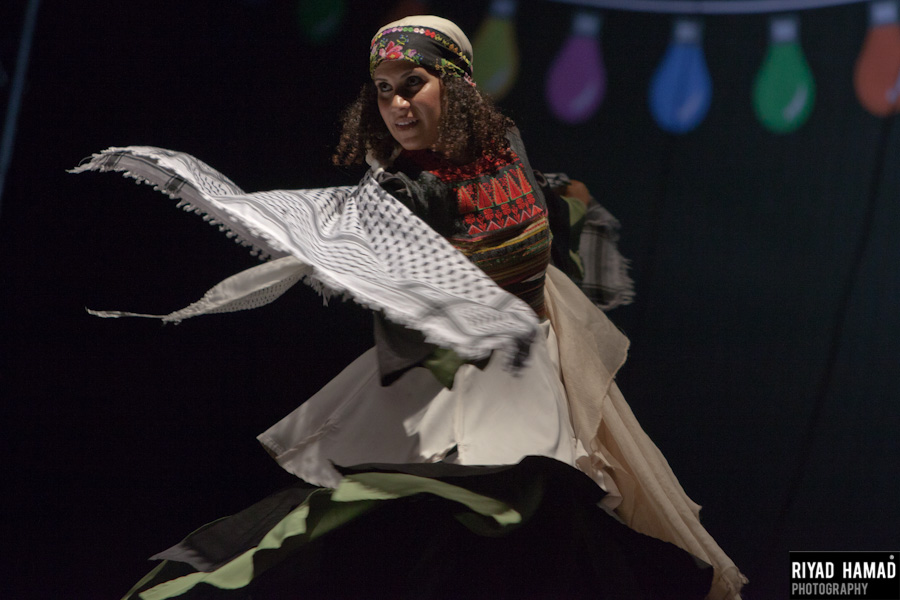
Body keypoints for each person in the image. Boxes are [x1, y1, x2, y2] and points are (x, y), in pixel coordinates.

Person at [74, 15, 745, 600]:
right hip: (444, 373)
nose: (396, 102)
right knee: (434, 516)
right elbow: (356, 236)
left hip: (514, 369)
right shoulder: (396, 185)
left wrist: (553, 227)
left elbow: (530, 234)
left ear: (454, 85)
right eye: (385, 89)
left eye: (412, 84)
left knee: (521, 508)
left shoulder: (501, 147)